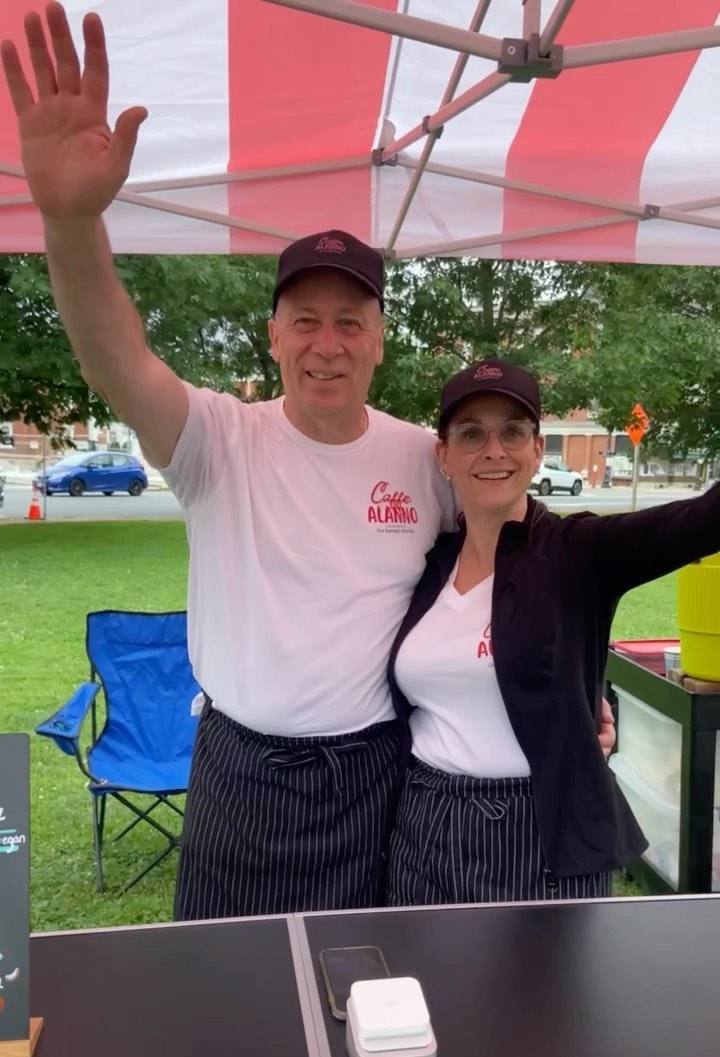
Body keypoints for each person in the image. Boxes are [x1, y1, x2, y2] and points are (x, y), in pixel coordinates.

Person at [2, 6, 614, 918]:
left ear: (377, 343)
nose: (326, 342)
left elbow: (531, 559)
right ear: (274, 336)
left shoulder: (425, 458)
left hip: (374, 771)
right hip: (240, 767)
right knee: (223, 996)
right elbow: (115, 357)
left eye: (350, 321)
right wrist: (69, 219)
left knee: (358, 991)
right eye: (305, 320)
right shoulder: (216, 439)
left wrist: (581, 684)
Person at [386, 356, 720, 905]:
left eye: (513, 432)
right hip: (421, 824)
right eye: (471, 434)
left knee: (540, 994)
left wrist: (590, 698)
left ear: (537, 449)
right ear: (444, 454)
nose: (494, 449)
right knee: (423, 988)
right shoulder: (428, 563)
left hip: (536, 831)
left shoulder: (577, 552)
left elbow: (703, 520)